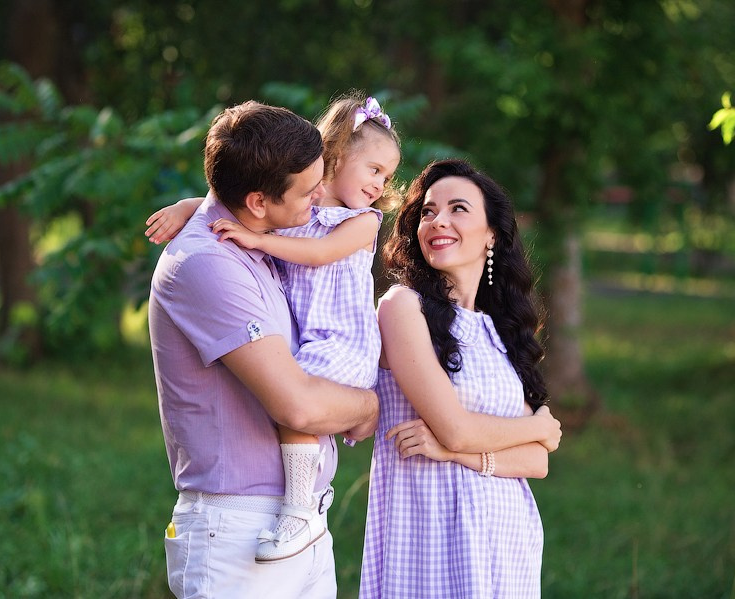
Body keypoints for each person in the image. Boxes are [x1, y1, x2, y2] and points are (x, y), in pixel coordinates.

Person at [146, 93, 401, 564]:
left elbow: (317, 249)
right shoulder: (209, 261)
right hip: (241, 522)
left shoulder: (339, 222)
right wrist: (366, 407)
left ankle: (304, 508)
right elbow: (298, 406)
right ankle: (298, 507)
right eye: (309, 189)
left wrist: (242, 229)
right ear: (259, 202)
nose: (314, 198)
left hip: (339, 340)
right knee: (299, 403)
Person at [359, 159, 562, 598]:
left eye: (458, 209)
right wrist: (538, 428)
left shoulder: (499, 330)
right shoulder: (402, 308)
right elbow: (456, 427)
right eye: (428, 212)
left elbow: (536, 462)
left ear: (492, 235)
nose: (438, 221)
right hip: (431, 533)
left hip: (507, 540)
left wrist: (457, 453)